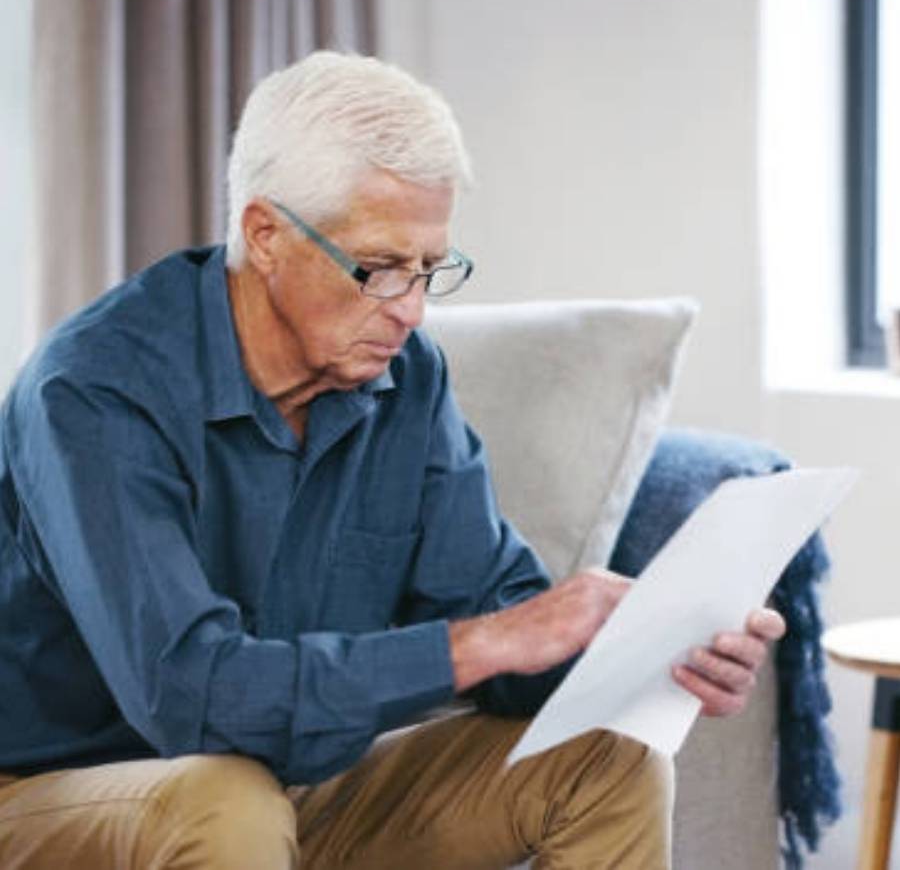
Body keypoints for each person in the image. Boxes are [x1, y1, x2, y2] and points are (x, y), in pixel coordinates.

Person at [0, 51, 784, 869]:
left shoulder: (404, 381)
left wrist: (652, 649)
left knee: (607, 761)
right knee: (225, 798)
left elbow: (505, 627)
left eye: (428, 269)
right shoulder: (94, 390)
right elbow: (190, 699)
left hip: (288, 790)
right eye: (376, 269)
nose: (409, 310)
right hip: (52, 794)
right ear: (265, 235)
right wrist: (486, 641)